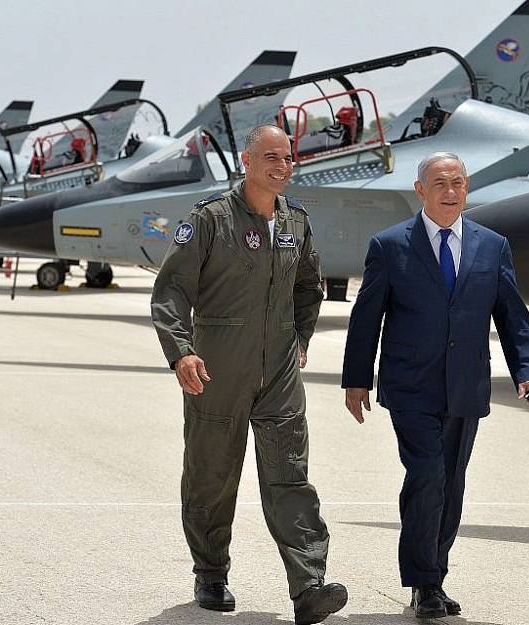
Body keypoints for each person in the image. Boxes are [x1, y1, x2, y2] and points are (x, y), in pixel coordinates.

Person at [151, 125, 347, 625]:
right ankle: (211, 573)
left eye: (287, 157)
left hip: (279, 371)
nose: (281, 166)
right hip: (218, 369)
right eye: (270, 157)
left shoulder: (295, 223)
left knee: (290, 476)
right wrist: (181, 352)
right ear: (246, 160)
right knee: (212, 477)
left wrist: (301, 338)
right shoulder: (211, 219)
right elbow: (172, 289)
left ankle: (308, 586)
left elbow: (309, 286)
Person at [341, 152, 529, 619]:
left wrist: (527, 370)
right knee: (428, 474)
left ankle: (434, 575)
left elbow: (512, 315)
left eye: (457, 183)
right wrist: (356, 380)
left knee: (451, 482)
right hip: (409, 384)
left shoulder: (492, 246)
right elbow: (366, 317)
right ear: (420, 190)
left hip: (465, 386)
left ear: (467, 188)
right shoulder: (390, 245)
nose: (450, 192)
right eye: (439, 183)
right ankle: (423, 581)